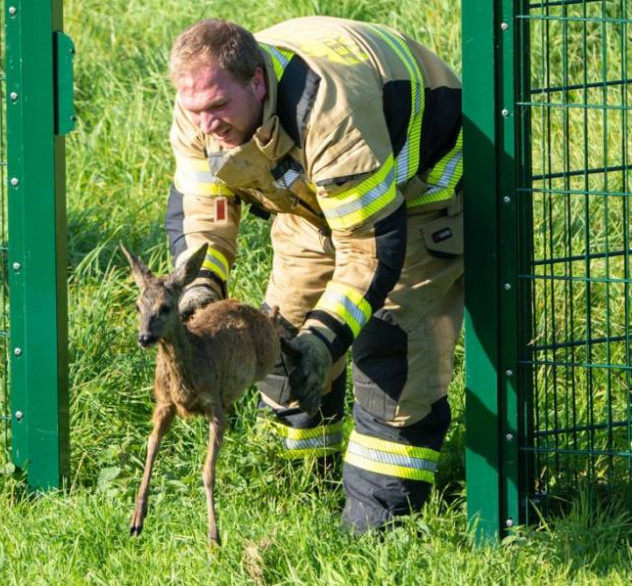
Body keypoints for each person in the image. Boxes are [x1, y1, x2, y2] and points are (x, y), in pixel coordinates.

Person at [163, 16, 463, 533]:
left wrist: (327, 338)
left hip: (417, 202)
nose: (206, 125)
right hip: (310, 203)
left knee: (391, 355)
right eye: (195, 112)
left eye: (217, 108)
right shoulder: (201, 102)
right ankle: (303, 495)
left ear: (257, 81)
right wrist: (200, 289)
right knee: (278, 343)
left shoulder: (329, 108)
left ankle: (378, 532)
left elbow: (369, 248)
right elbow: (203, 209)